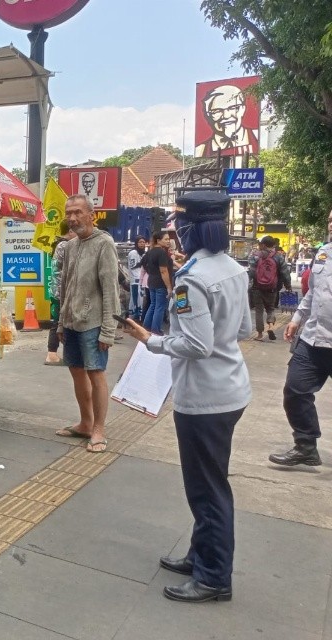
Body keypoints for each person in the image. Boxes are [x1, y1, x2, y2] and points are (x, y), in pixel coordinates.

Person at [125, 190, 252, 603]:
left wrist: (151, 340)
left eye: (178, 227)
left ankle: (214, 576)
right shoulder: (233, 269)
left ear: (190, 228)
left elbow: (196, 344)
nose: (175, 234)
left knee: (206, 490)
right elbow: (245, 329)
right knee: (210, 481)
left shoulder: (192, 278)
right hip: (231, 389)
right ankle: (201, 555)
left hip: (204, 399)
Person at [53, 194, 120, 453]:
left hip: (94, 323)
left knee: (96, 373)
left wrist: (108, 330)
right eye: (69, 213)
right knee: (76, 371)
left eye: (78, 212)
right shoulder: (70, 246)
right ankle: (85, 423)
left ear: (92, 215)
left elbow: (110, 290)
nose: (72, 218)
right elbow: (65, 286)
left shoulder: (104, 243)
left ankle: (99, 430)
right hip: (71, 321)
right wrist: (61, 323)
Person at [268, 208, 332, 467]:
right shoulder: (324, 253)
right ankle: (305, 446)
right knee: (295, 390)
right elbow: (313, 293)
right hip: (313, 338)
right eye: (330, 219)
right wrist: (296, 319)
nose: (331, 224)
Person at [195, 84, 259, 157]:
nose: (226, 116)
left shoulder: (257, 137)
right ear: (208, 115)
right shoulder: (200, 151)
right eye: (217, 111)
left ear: (243, 109)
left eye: (233, 108)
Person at [247, 235, 292, 341]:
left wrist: (247, 283)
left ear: (263, 245)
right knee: (270, 309)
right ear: (273, 245)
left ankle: (259, 334)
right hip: (272, 288)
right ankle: (271, 326)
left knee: (259, 310)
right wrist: (288, 285)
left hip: (257, 287)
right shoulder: (278, 256)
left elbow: (252, 272)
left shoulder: (255, 256)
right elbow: (285, 273)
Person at [45, 221, 75, 365]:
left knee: (59, 321)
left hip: (57, 291)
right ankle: (51, 354)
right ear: (70, 231)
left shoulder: (59, 244)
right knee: (58, 322)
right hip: (61, 292)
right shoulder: (65, 245)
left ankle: (56, 353)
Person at [141, 231, 175, 335]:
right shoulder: (161, 253)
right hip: (161, 283)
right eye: (166, 239)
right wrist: (169, 287)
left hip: (152, 281)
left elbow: (143, 264)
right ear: (158, 240)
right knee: (159, 307)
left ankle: (146, 328)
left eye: (169, 239)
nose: (168, 241)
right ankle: (156, 330)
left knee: (153, 305)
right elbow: (163, 271)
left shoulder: (150, 251)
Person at [127, 236, 148, 322]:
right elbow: (133, 266)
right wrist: (142, 262)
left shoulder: (144, 253)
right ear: (136, 243)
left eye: (143, 242)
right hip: (135, 279)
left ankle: (139, 318)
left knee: (141, 299)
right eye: (140, 242)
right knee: (135, 298)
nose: (142, 244)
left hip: (142, 279)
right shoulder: (133, 252)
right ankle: (133, 318)